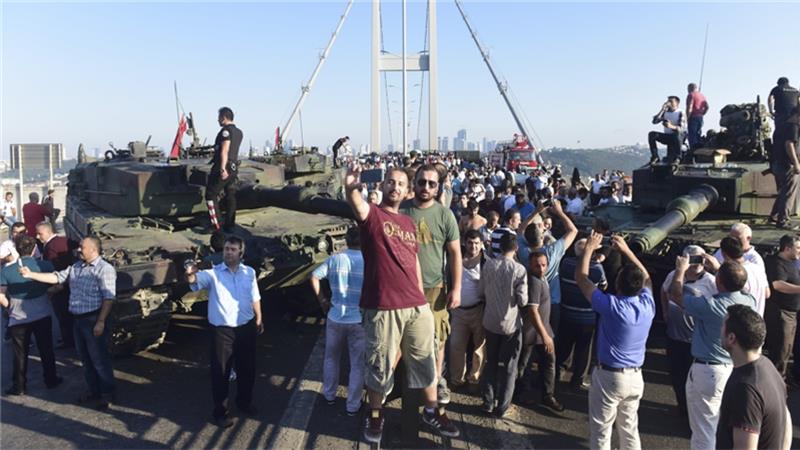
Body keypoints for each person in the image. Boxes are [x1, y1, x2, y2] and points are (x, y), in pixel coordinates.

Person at [344, 164, 459, 443]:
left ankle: (431, 410)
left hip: (415, 304)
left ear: (407, 191)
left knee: (426, 358)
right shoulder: (373, 216)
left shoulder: (408, 223)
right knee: (380, 363)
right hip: (384, 305)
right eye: (391, 182)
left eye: (400, 184)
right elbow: (357, 205)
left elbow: (414, 264)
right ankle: (375, 413)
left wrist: (421, 300)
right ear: (383, 186)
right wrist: (350, 187)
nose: (395, 187)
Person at [576, 232, 654, 450]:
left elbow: (582, 279)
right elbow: (647, 277)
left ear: (618, 283)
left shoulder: (612, 305)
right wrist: (627, 251)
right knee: (629, 428)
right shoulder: (648, 304)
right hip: (636, 376)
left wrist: (589, 248)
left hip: (610, 376)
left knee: (601, 430)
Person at [20, 236, 117, 409]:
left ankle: (107, 393)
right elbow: (57, 277)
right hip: (78, 321)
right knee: (85, 360)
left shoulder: (105, 269)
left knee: (99, 359)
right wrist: (31, 275)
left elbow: (108, 298)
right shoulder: (76, 267)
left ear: (93, 250)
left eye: (82, 247)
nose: (78, 250)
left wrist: (101, 322)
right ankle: (93, 390)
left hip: (93, 319)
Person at [669, 257, 756, 450]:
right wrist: (721, 271)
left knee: (703, 431)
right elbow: (737, 286)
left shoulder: (711, 306)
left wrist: (680, 270)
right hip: (733, 369)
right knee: (722, 427)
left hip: (708, 371)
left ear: (719, 282)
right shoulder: (748, 301)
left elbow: (675, 295)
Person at [185, 235, 262, 427]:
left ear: (240, 253)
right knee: (221, 372)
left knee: (248, 369)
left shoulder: (249, 272)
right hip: (223, 332)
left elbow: (255, 296)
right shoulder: (213, 274)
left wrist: (259, 317)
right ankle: (221, 412)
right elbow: (195, 281)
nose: (228, 252)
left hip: (246, 327)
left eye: (232, 249)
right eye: (226, 249)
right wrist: (189, 272)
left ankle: (244, 402)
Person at [402, 164, 463, 405]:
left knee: (438, 338)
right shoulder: (401, 210)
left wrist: (456, 288)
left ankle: (438, 381)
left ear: (438, 188)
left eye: (431, 183)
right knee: (402, 337)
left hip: (435, 287)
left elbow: (455, 253)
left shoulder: (445, 215)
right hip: (403, 287)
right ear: (413, 184)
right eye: (421, 182)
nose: (425, 187)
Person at [716, 304, 793, 450]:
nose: (720, 330)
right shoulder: (767, 366)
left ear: (731, 338)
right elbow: (786, 418)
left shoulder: (745, 389)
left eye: (722, 326)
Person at [309, 227, 365, 416]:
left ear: (347, 241)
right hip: (358, 319)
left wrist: (323, 300)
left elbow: (314, 277)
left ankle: (329, 395)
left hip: (335, 316)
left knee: (331, 358)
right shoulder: (368, 262)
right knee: (357, 364)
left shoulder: (335, 259)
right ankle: (352, 405)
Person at [0, 235, 62, 395]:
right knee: (46, 349)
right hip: (42, 314)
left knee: (19, 353)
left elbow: (1, 295)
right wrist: (48, 293)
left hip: (18, 318)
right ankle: (51, 379)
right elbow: (58, 284)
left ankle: (19, 386)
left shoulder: (6, 271)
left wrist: (9, 309)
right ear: (34, 248)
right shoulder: (44, 265)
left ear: (16, 250)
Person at [660, 245, 716, 419]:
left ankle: (695, 412)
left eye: (699, 258)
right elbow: (664, 290)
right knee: (677, 375)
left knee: (696, 380)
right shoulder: (674, 275)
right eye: (691, 259)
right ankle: (683, 408)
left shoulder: (710, 281)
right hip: (675, 336)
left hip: (696, 339)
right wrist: (665, 311)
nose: (696, 263)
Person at [478, 233, 528, 418]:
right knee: (509, 367)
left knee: (490, 362)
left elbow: (481, 291)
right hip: (510, 324)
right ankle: (502, 406)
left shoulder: (488, 265)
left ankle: (487, 402)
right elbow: (523, 300)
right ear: (515, 249)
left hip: (490, 321)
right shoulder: (519, 269)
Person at [557, 238, 607, 391]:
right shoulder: (597, 269)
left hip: (566, 311)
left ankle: (558, 373)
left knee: (563, 345)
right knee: (583, 350)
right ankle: (577, 379)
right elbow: (604, 286)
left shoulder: (565, 263)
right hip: (587, 316)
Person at [524, 251, 564, 412]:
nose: (541, 268)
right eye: (537, 265)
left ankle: (547, 395)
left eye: (543, 265)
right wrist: (545, 335)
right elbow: (532, 310)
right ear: (530, 265)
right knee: (525, 364)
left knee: (548, 362)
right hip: (533, 332)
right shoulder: (534, 282)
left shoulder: (543, 279)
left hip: (542, 331)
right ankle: (524, 394)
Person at [449, 230, 486, 391]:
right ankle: (457, 379)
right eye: (471, 243)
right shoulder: (456, 259)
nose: (474, 246)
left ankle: (474, 379)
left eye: (477, 243)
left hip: (478, 310)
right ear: (465, 243)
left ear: (482, 244)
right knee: (456, 346)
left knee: (479, 348)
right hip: (458, 311)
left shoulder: (486, 263)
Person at [764, 234, 800, 378]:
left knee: (787, 349)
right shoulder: (777, 263)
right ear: (787, 248)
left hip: (791, 313)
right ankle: (777, 382)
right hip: (781, 313)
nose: (799, 251)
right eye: (797, 248)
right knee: (781, 350)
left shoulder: (791, 262)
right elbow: (778, 285)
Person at [36, 222, 75, 348]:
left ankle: (68, 340)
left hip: (58, 284)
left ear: (48, 232)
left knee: (62, 314)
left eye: (40, 234)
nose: (37, 237)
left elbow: (52, 267)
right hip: (69, 282)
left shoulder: (50, 247)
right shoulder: (64, 240)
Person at [768, 78, 800, 229]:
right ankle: (783, 221)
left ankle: (774, 216)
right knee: (789, 192)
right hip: (787, 165)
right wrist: (796, 163)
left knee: (783, 191)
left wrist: (771, 110)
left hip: (776, 163)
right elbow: (789, 145)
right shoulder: (793, 127)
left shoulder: (780, 127)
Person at [710, 237, 770, 317]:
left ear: (724, 254)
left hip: (739, 321)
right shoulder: (758, 268)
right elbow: (767, 294)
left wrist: (718, 270)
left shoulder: (736, 274)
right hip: (757, 320)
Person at [205, 107, 243, 232]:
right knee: (230, 193)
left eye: (219, 117)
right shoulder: (239, 132)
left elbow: (224, 150)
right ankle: (230, 224)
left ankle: (217, 225)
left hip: (224, 166)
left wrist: (222, 169)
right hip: (234, 167)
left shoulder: (225, 132)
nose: (218, 120)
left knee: (210, 194)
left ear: (224, 117)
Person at [648, 96, 686, 165]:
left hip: (678, 137)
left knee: (677, 134)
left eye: (671, 101)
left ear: (677, 103)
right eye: (668, 101)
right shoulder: (665, 112)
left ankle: (678, 158)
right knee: (652, 134)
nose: (669, 103)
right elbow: (654, 121)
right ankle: (655, 156)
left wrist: (671, 126)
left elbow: (682, 129)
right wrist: (662, 110)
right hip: (668, 136)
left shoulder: (680, 112)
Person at [686, 83, 709, 151]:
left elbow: (690, 107)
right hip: (700, 118)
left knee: (692, 135)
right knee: (698, 134)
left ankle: (693, 152)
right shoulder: (702, 96)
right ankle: (699, 151)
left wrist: (687, 117)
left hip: (693, 117)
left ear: (689, 88)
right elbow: (707, 107)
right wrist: (702, 114)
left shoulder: (691, 95)